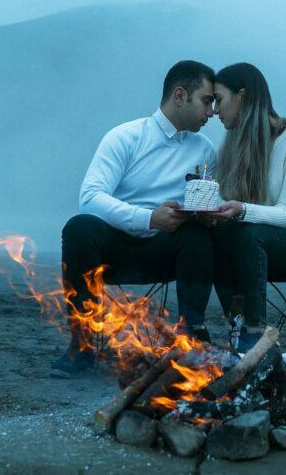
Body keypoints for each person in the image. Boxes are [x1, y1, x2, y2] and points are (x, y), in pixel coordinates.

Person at [53, 60, 218, 378]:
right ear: (180, 95)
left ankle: (192, 338)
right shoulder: (125, 136)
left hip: (168, 250)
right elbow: (90, 197)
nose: (211, 111)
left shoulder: (205, 149)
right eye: (206, 101)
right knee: (80, 227)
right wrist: (148, 218)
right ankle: (82, 344)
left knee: (198, 233)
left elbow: (207, 199)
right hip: (117, 248)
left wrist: (210, 212)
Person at [206, 63, 286, 353]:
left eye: (219, 99)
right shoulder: (231, 145)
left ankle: (255, 338)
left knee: (248, 233)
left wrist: (240, 210)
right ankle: (237, 326)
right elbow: (221, 202)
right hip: (253, 249)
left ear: (242, 96)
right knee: (215, 236)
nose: (215, 110)